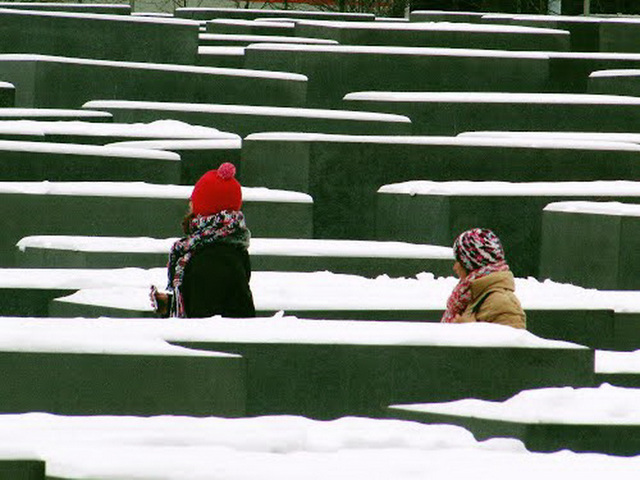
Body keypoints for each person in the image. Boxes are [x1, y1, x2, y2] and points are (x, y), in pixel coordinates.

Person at [151, 162, 256, 318]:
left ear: (205, 210)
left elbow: (204, 317)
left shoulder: (214, 258)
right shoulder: (221, 247)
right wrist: (171, 304)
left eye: (194, 199)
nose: (190, 203)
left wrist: (177, 306)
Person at [441, 228, 526, 329]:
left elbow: (513, 342)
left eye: (459, 261)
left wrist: (469, 330)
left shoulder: (502, 303)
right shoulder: (470, 295)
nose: (455, 267)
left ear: (471, 263)